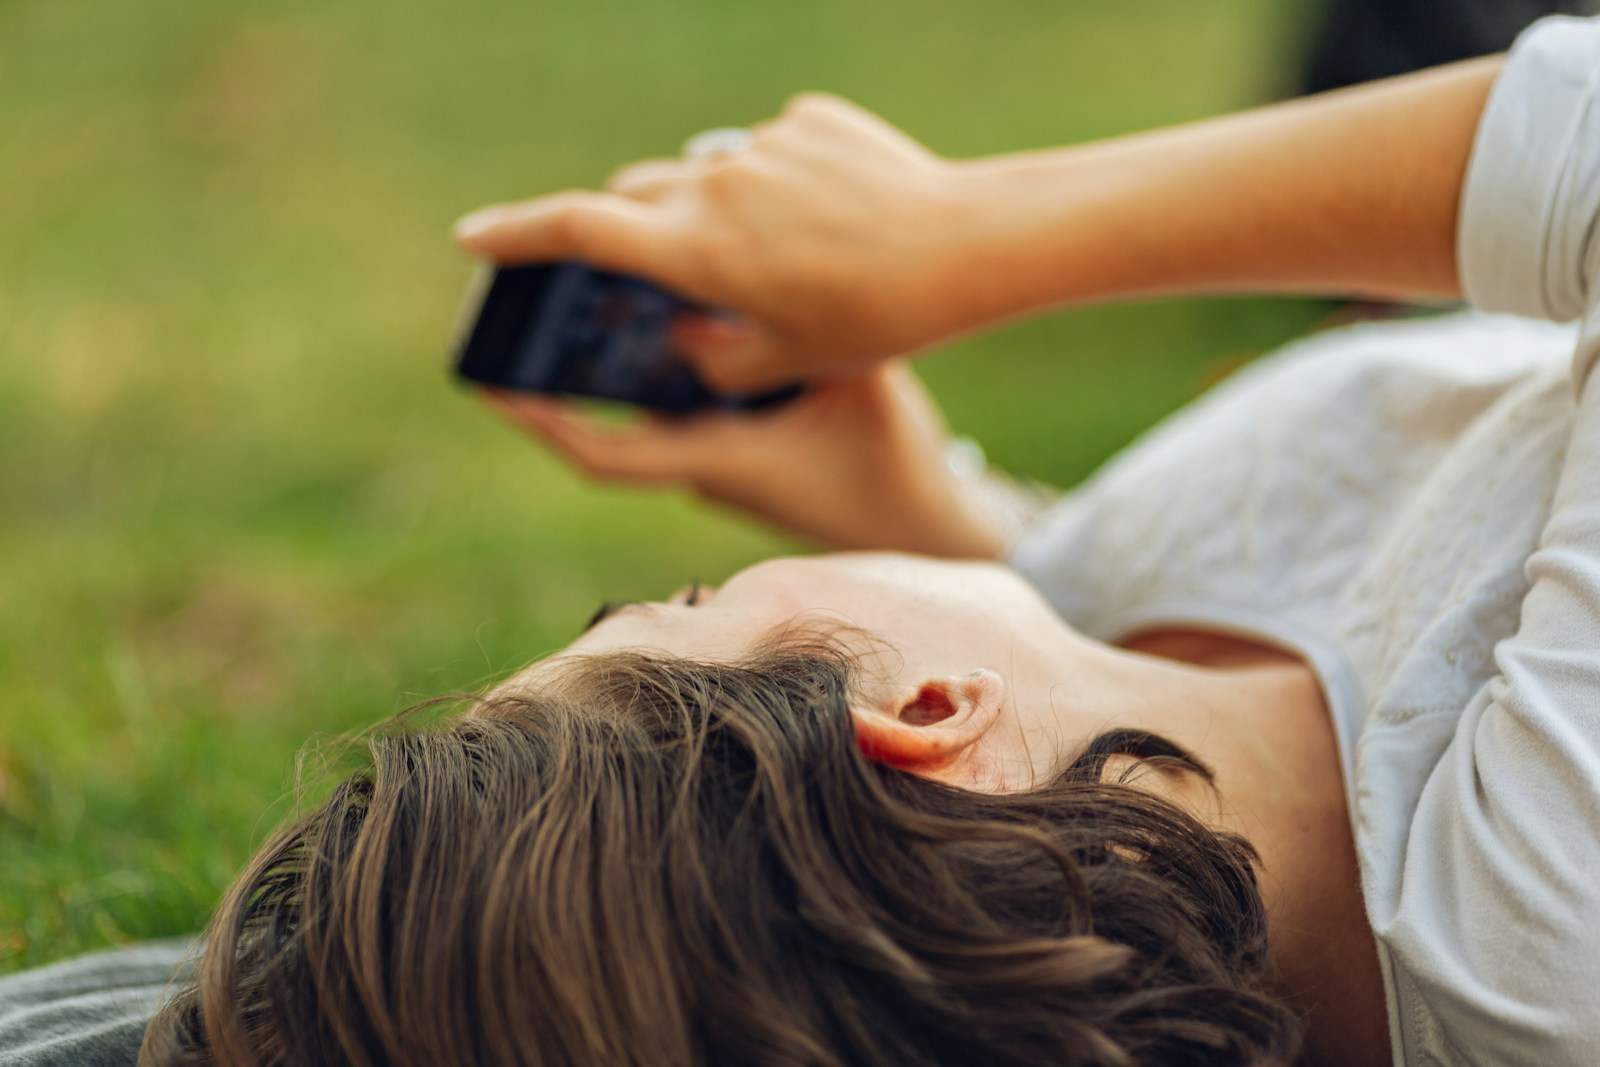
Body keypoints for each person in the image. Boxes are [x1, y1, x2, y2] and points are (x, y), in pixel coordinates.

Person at [4, 10, 1577, 1067]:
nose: (717, 571)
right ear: (926, 710)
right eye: (679, 602)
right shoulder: (1535, 916)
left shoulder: (1142, 724)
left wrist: (933, 512)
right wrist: (960, 234)